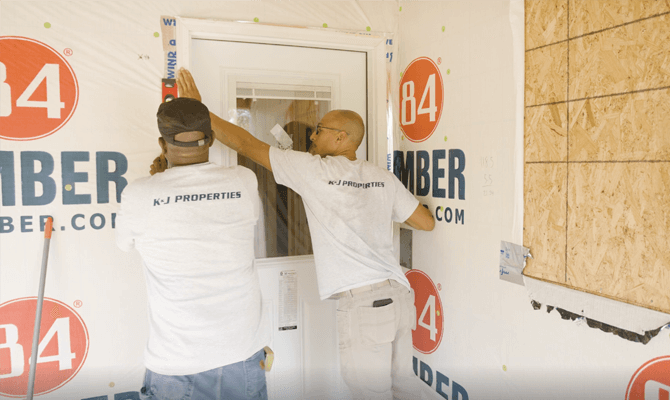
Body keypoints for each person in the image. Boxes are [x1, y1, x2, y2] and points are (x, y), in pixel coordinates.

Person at [176, 68, 435, 400]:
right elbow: (425, 222)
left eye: (319, 130)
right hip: (399, 298)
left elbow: (245, 143)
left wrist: (200, 110)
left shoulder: (316, 171)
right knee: (406, 389)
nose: (312, 137)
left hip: (366, 307)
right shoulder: (382, 177)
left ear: (342, 137)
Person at [116, 97, 268, 400]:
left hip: (177, 362)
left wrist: (160, 180)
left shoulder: (140, 194)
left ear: (162, 143)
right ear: (210, 139)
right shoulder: (243, 180)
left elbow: (124, 244)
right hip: (242, 354)